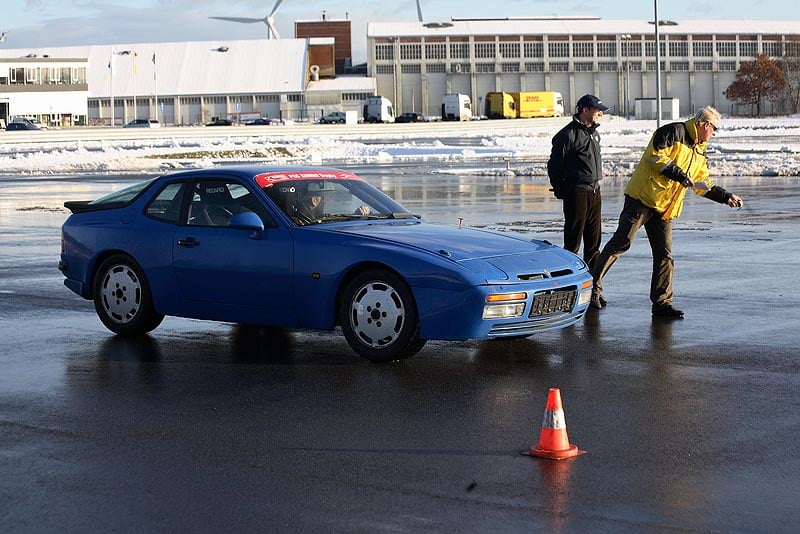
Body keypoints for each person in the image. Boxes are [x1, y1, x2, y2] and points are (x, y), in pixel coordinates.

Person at [590, 106, 744, 318]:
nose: (714, 134)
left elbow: (701, 183)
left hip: (665, 207)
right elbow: (655, 157)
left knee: (664, 255)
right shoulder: (672, 132)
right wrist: (679, 175)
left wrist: (726, 197)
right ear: (705, 125)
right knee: (621, 242)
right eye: (714, 129)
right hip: (641, 199)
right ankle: (592, 289)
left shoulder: (700, 148)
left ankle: (662, 304)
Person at [547, 94, 609, 272]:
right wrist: (561, 190)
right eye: (598, 110)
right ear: (585, 110)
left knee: (594, 244)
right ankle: (569, 285)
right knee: (573, 243)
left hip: (595, 192)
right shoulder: (567, 135)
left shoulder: (594, 134)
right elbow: (554, 165)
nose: (601, 114)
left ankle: (593, 288)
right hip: (577, 193)